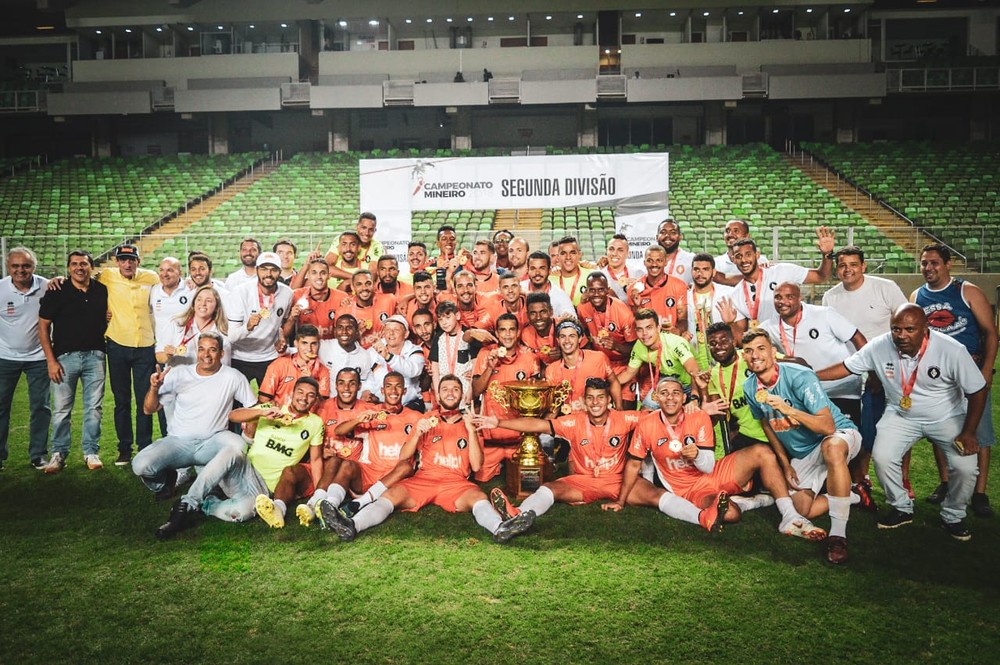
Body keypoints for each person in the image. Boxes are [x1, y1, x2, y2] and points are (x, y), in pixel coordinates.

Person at [818, 304, 987, 541]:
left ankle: (953, 515)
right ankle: (901, 507)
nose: (902, 336)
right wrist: (812, 375)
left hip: (946, 416)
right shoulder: (880, 345)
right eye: (896, 329)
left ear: (925, 328)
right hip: (900, 413)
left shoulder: (951, 350)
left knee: (966, 468)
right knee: (883, 456)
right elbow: (847, 367)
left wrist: (969, 432)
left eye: (910, 329)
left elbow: (978, 390)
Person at [604, 377, 825, 546]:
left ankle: (789, 516)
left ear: (683, 397)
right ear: (657, 398)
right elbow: (633, 464)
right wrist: (621, 501)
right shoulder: (647, 424)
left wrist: (696, 455)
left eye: (675, 393)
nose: (670, 398)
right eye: (664, 393)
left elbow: (708, 465)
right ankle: (753, 501)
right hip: (690, 489)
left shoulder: (698, 416)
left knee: (762, 452)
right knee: (730, 514)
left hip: (712, 472)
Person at [316, 375, 536, 544]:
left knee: (478, 497)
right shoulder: (426, 419)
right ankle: (352, 525)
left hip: (455, 483)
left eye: (455, 389)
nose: (450, 393)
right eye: (445, 389)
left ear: (461, 394)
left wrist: (470, 432)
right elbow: (404, 456)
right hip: (424, 479)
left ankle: (500, 528)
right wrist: (417, 434)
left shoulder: (470, 422)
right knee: (390, 496)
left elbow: (477, 466)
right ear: (438, 395)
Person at [742, 329, 861, 564]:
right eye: (748, 351)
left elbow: (827, 426)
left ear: (774, 353)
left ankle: (838, 536)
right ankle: (852, 494)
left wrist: (788, 409)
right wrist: (785, 463)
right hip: (804, 452)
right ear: (744, 357)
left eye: (761, 348)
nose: (755, 355)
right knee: (801, 511)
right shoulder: (749, 387)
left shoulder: (799, 376)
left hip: (839, 433)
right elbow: (766, 424)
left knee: (832, 448)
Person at [132, 332, 256, 537]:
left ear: (221, 353)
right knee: (140, 465)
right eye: (202, 349)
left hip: (212, 441)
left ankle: (191, 501)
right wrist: (154, 388)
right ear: (196, 352)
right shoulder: (179, 373)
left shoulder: (232, 376)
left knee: (237, 446)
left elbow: (253, 408)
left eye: (212, 349)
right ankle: (165, 482)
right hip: (179, 442)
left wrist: (249, 436)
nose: (206, 354)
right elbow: (148, 409)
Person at [911, 243, 997, 517]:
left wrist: (986, 370)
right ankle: (946, 483)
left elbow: (991, 334)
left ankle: (980, 493)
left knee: (979, 433)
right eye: (924, 263)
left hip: (969, 371)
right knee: (940, 432)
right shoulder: (917, 296)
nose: (928, 268)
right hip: (937, 375)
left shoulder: (968, 291)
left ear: (948, 264)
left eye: (934, 262)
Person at [474, 378, 640, 519]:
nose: (595, 402)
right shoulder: (574, 421)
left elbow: (654, 417)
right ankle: (518, 515)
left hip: (617, 480)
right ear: (584, 401)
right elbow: (538, 424)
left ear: (609, 400)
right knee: (549, 489)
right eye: (590, 398)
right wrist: (498, 423)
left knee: (655, 496)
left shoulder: (624, 418)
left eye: (600, 397)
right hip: (583, 481)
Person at [822, 245, 907, 498]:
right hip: (848, 371)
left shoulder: (885, 287)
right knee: (861, 427)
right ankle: (861, 478)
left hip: (886, 369)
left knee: (897, 424)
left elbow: (905, 320)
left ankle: (904, 481)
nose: (847, 270)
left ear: (864, 266)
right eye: (842, 265)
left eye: (853, 264)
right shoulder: (831, 297)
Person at [210, 377, 325, 528]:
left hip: (267, 488)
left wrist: (318, 494)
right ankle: (206, 495)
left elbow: (316, 459)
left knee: (241, 514)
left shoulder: (316, 423)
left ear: (315, 400)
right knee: (228, 450)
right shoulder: (272, 409)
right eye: (300, 392)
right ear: (292, 392)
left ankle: (211, 503)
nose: (304, 398)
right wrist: (262, 413)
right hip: (246, 471)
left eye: (310, 395)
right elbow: (233, 416)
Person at [314, 372, 423, 524]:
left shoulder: (416, 417)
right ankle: (330, 507)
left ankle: (359, 503)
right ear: (382, 390)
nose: (393, 391)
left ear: (404, 391)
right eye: (389, 387)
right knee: (348, 464)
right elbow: (339, 431)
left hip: (395, 478)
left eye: (398, 387)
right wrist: (359, 420)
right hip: (369, 474)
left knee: (406, 465)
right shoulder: (372, 413)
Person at [38, 250, 108, 474]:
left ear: (91, 267)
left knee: (94, 408)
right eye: (75, 264)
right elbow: (43, 327)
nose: (80, 267)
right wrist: (51, 360)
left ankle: (90, 451)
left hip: (95, 356)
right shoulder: (56, 290)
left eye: (84, 264)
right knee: (61, 410)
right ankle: (58, 454)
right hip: (64, 359)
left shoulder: (102, 290)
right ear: (68, 268)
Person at [761, 282, 867, 429]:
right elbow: (746, 343)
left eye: (789, 297)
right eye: (778, 297)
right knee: (816, 443)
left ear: (800, 298)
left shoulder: (824, 314)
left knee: (848, 438)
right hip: (807, 393)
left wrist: (872, 373)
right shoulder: (769, 326)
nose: (783, 301)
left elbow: (858, 339)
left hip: (841, 389)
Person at [95, 244, 160, 466]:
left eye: (131, 260)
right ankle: (124, 449)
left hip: (145, 346)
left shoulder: (151, 278)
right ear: (116, 262)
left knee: (145, 400)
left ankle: (144, 447)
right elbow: (83, 283)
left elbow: (171, 289)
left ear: (138, 261)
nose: (127, 264)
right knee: (121, 400)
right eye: (123, 260)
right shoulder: (106, 276)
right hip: (117, 345)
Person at [471, 313, 542, 481]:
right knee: (480, 478)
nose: (508, 334)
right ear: (496, 333)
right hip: (491, 440)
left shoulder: (529, 357)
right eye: (503, 330)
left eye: (511, 330)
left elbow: (537, 399)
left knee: (530, 481)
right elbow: (475, 391)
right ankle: (499, 464)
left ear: (518, 332)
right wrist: (489, 368)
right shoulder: (485, 354)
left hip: (520, 439)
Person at [728, 228, 835, 332]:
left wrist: (827, 254)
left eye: (748, 254)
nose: (744, 260)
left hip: (796, 336)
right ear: (733, 259)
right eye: (738, 256)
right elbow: (741, 335)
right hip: (766, 343)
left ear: (757, 255)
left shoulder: (782, 271)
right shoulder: (736, 295)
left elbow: (821, 276)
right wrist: (730, 323)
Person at [0, 247, 50, 471]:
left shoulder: (48, 286)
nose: (21, 270)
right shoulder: (0, 290)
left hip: (39, 357)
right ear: (8, 266)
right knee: (1, 406)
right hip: (5, 357)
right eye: (16, 266)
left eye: (26, 266)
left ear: (34, 267)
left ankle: (38, 454)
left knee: (41, 406)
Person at [227, 251, 293, 387]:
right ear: (256, 270)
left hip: (269, 357)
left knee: (270, 404)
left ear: (280, 272)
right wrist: (248, 327)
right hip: (239, 357)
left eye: (273, 270)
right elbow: (231, 337)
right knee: (236, 405)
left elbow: (282, 322)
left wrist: (281, 337)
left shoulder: (287, 293)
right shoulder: (240, 292)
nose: (268, 274)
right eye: (263, 269)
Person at [704, 322, 770, 453]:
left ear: (733, 342)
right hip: (747, 435)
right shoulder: (713, 375)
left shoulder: (750, 356)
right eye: (713, 343)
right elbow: (718, 415)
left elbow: (790, 362)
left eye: (724, 341)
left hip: (775, 427)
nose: (718, 346)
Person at [617, 308, 702, 410]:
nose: (644, 334)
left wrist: (694, 398)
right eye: (640, 329)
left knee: (694, 414)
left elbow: (695, 373)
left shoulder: (675, 343)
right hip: (666, 382)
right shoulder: (639, 346)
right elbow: (628, 373)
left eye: (649, 328)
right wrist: (607, 384)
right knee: (645, 412)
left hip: (689, 385)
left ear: (658, 328)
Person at [576, 272, 636, 403]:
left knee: (625, 410)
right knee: (596, 407)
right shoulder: (582, 309)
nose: (596, 294)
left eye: (601, 290)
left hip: (622, 365)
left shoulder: (623, 313)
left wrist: (616, 346)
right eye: (592, 290)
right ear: (586, 291)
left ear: (608, 290)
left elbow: (636, 350)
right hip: (599, 365)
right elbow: (583, 335)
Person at [545, 320, 623, 412]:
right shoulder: (551, 370)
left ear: (580, 338)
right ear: (558, 340)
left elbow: (613, 381)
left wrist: (619, 408)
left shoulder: (598, 358)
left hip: (597, 417)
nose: (567, 341)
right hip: (569, 421)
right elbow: (553, 403)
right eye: (562, 336)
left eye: (572, 336)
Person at [157, 285, 231, 369]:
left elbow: (225, 366)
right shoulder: (176, 323)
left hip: (208, 379)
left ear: (216, 307)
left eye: (209, 301)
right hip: (178, 379)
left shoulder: (223, 331)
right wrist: (167, 355)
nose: (203, 304)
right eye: (199, 299)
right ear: (193, 303)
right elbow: (159, 356)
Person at [257, 325, 330, 409]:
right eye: (304, 343)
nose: (309, 349)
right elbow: (263, 400)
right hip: (279, 417)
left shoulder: (323, 371)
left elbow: (322, 407)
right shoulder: (279, 365)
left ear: (319, 344)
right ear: (296, 344)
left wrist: (311, 382)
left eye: (313, 344)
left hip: (306, 419)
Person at [688, 253, 739, 370]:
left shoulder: (728, 294)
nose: (700, 274)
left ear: (714, 272)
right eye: (696, 269)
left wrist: (731, 323)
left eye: (705, 269)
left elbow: (740, 332)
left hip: (723, 359)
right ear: (691, 271)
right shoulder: (684, 296)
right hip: (695, 361)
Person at [429, 301, 483, 405]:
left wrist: (471, 390)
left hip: (464, 387)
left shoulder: (468, 335)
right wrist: (437, 392)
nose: (444, 322)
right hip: (445, 389)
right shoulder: (438, 338)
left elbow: (476, 363)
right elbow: (435, 368)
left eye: (448, 318)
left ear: (457, 315)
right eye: (440, 319)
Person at [368, 314, 426, 409]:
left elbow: (413, 371)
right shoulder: (374, 350)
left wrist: (388, 356)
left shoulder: (414, 350)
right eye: (388, 330)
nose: (391, 333)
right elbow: (365, 376)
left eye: (396, 330)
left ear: (406, 334)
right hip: (380, 405)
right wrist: (367, 390)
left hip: (409, 405)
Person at [627, 245, 688, 335]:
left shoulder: (679, 285)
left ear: (665, 262)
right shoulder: (633, 289)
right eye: (650, 261)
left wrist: (677, 331)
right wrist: (637, 306)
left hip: (670, 340)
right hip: (646, 340)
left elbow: (683, 320)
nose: (654, 264)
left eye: (659, 260)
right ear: (644, 263)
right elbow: (635, 323)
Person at [318, 314, 376, 396]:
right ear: (335, 331)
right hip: (327, 402)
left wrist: (366, 392)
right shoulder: (323, 346)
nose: (344, 332)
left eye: (349, 328)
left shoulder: (364, 355)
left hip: (353, 404)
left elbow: (364, 381)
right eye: (340, 327)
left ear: (356, 332)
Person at [337, 269, 397, 349]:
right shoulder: (344, 310)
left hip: (384, 355)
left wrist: (406, 299)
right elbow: (342, 346)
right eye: (359, 284)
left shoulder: (389, 300)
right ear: (352, 287)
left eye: (368, 283)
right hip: (358, 356)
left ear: (374, 285)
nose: (364, 288)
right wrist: (357, 333)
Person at [284, 258, 338, 340]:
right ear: (308, 275)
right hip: (305, 348)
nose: (319, 277)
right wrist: (292, 317)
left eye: (323, 273)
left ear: (329, 275)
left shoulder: (341, 297)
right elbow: (285, 334)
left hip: (330, 347)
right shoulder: (296, 295)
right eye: (314, 273)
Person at [325, 212, 383, 276]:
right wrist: (353, 278)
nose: (366, 233)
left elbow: (372, 274)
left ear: (375, 230)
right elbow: (326, 267)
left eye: (371, 229)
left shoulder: (377, 246)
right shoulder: (342, 239)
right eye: (363, 228)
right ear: (357, 226)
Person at [521, 251, 575, 318]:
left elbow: (573, 321)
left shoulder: (560, 296)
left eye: (542, 268)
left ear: (549, 271)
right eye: (533, 268)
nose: (537, 273)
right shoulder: (519, 288)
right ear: (528, 271)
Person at [599, 233, 644, 301]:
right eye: (611, 249)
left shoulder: (638, 275)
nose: (614, 253)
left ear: (627, 254)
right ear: (606, 251)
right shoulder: (599, 276)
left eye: (620, 250)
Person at [654, 218, 695, 286]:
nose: (667, 235)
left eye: (673, 232)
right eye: (663, 232)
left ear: (680, 237)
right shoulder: (646, 261)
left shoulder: (691, 260)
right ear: (657, 237)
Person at [552, 236, 588, 307]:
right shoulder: (550, 280)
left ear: (579, 255)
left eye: (573, 253)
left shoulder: (591, 276)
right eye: (563, 253)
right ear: (558, 257)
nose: (568, 257)